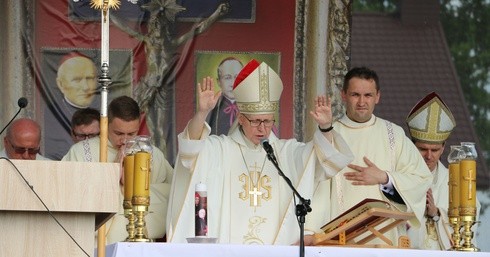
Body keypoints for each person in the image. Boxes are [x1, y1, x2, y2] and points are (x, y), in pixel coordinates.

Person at [166, 60, 354, 245]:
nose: (262, 129)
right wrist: (202, 113)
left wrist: (326, 127)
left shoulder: (285, 153)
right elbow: (191, 152)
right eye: (255, 121)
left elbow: (323, 161)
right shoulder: (221, 149)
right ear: (240, 118)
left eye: (268, 121)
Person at [312, 67, 433, 246]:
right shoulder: (330, 133)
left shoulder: (394, 135)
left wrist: (385, 178)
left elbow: (421, 179)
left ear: (377, 96)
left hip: (387, 238)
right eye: (355, 95)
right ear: (343, 95)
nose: (362, 102)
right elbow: (314, 184)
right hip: (340, 240)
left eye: (368, 95)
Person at [62, 96, 173, 244]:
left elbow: (174, 195)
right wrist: (112, 176)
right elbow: (68, 197)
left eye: (132, 134)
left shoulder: (153, 154)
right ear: (106, 124)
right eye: (119, 133)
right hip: (94, 246)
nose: (125, 140)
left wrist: (129, 188)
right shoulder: (81, 152)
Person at [405, 92, 481, 250]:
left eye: (435, 149)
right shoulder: (400, 178)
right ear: (412, 146)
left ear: (444, 148)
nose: (429, 156)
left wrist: (437, 214)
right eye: (423, 149)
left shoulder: (458, 184)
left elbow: (469, 229)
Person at [44, 52, 100, 160]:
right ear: (60, 84)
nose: (85, 87)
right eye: (77, 79)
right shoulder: (48, 114)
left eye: (89, 79)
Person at [206, 57, 243, 135]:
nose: (233, 83)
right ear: (219, 82)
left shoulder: (253, 104)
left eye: (237, 77)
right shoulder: (210, 108)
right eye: (227, 78)